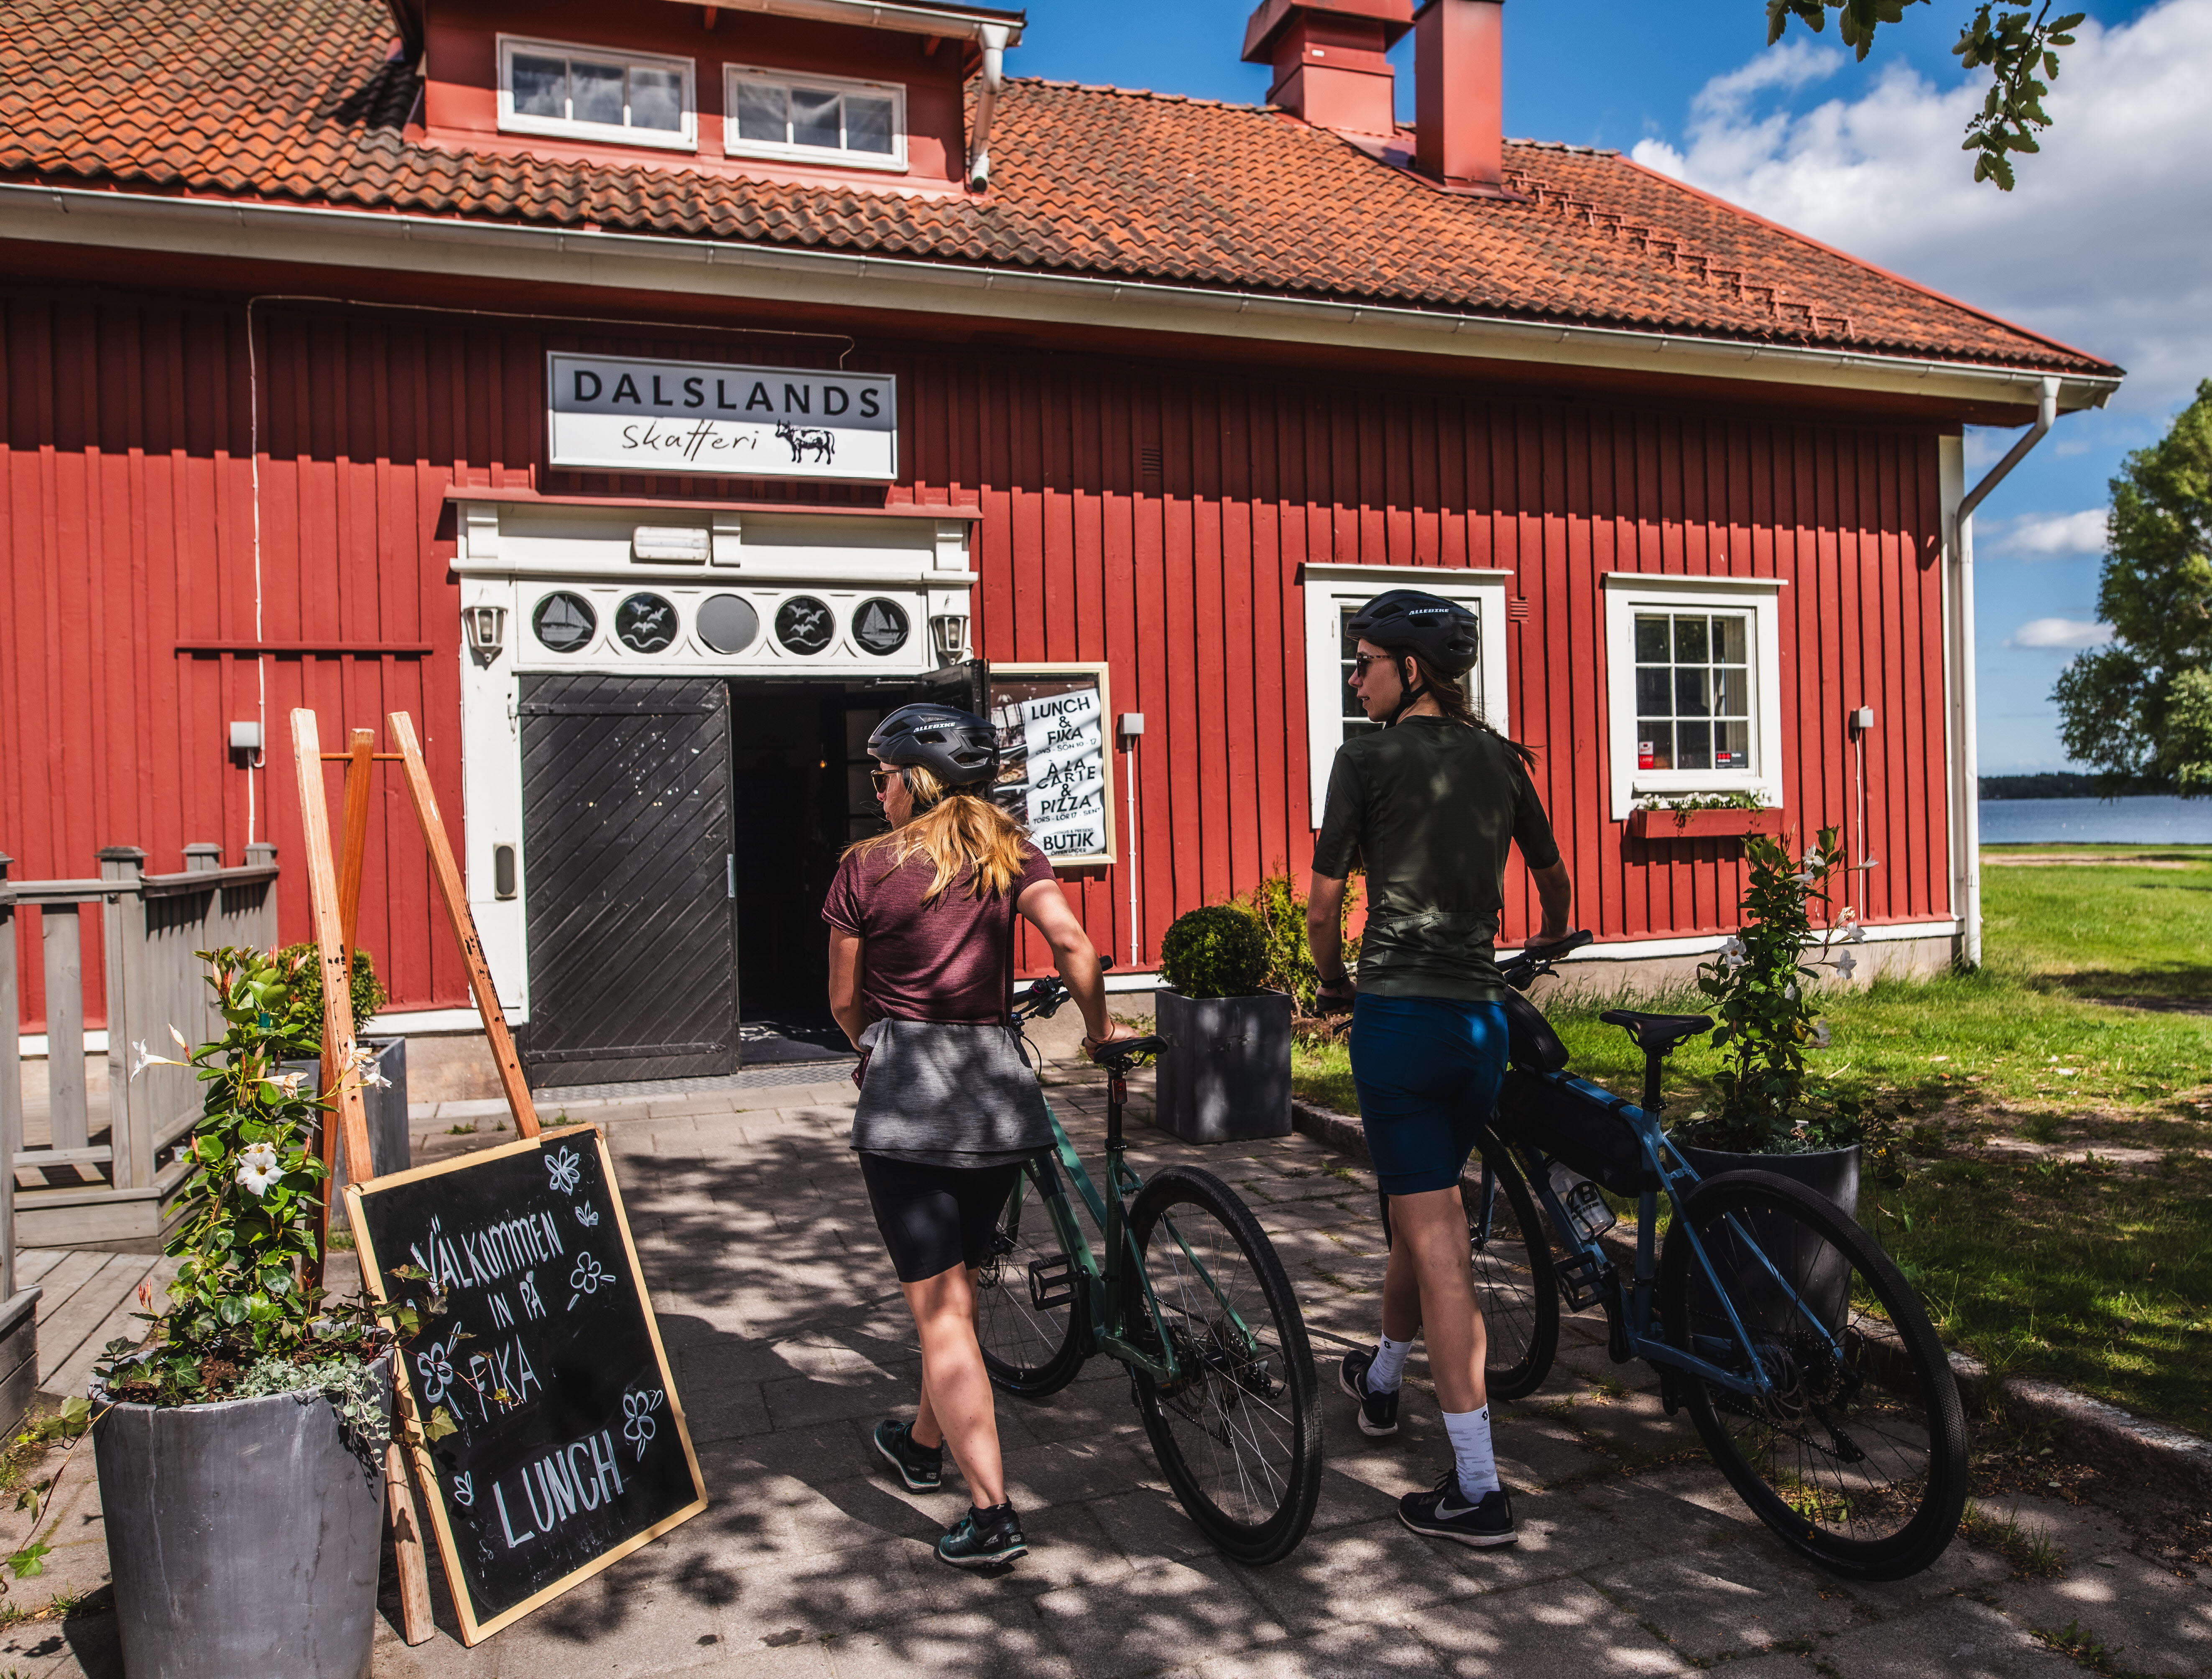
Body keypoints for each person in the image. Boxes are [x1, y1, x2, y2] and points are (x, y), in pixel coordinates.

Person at [824, 701, 1138, 1570]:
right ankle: (922, 1444)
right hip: (1001, 1102)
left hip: (909, 1107)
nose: (877, 789)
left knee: (943, 1313)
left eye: (881, 775)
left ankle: (993, 1512)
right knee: (957, 1294)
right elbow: (1073, 942)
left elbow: (845, 1001)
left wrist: (870, 1047)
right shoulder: (1012, 854)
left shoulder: (864, 870)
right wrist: (1101, 1028)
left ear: (913, 781)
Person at [1304, 589, 1577, 1549]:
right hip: (1479, 1029)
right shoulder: (1503, 758)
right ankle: (1380, 1381)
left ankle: (1477, 1488)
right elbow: (1553, 882)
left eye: (1367, 660)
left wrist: (1333, 980)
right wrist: (1540, 940)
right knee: (1423, 1221)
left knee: (1441, 1247)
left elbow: (1323, 903)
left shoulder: (1365, 757)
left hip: (1400, 1026)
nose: (1356, 676)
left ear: (1410, 670)